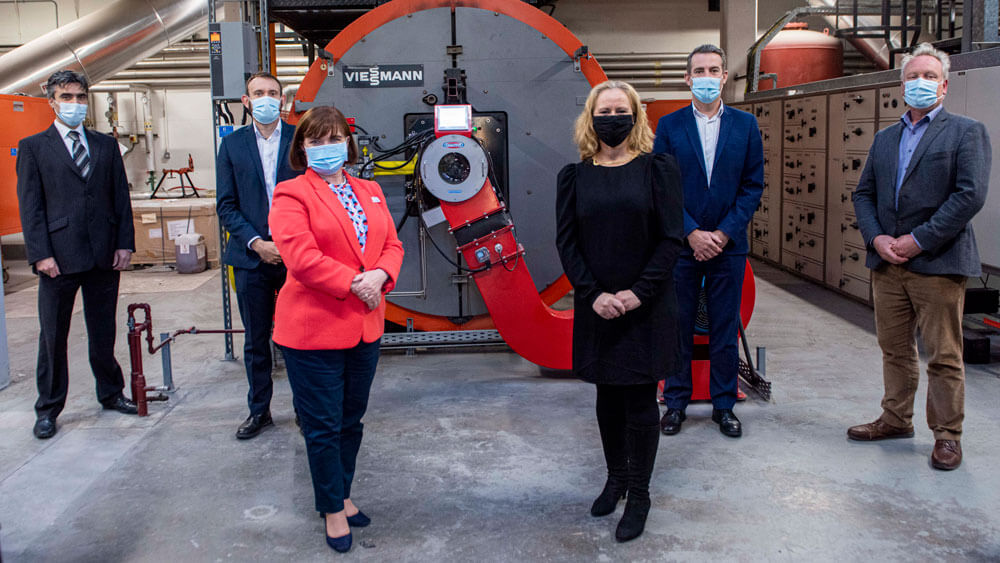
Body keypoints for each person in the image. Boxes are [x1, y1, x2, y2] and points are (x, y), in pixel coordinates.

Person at [849, 43, 990, 471]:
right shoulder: (885, 138)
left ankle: (947, 435)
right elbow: (864, 193)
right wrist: (877, 240)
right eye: (913, 77)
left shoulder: (966, 132)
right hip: (888, 263)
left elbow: (969, 196)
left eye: (929, 77)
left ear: (944, 86)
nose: (920, 84)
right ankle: (896, 419)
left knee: (944, 354)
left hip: (938, 263)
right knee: (894, 349)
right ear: (901, 85)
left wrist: (918, 240)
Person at [269, 106, 403, 552]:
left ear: (349, 142)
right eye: (317, 141)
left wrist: (380, 277)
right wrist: (356, 283)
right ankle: (331, 509)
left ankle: (342, 494)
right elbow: (302, 259)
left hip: (364, 326)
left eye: (335, 139)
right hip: (313, 330)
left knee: (351, 420)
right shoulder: (291, 195)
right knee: (322, 425)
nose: (328, 148)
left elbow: (391, 244)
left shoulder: (370, 190)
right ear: (302, 148)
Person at [556, 80, 684, 543]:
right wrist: (593, 294)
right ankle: (616, 479)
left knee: (640, 401)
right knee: (607, 398)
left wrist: (635, 294)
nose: (612, 117)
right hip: (597, 306)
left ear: (635, 117)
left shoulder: (658, 169)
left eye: (620, 109)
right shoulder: (575, 175)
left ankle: (641, 493)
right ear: (591, 118)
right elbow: (567, 242)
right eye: (603, 110)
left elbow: (672, 238)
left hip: (645, 306)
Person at [16, 69, 138, 440]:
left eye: (80, 97)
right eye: (66, 97)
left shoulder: (104, 145)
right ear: (51, 100)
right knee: (53, 334)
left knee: (103, 330)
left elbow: (120, 198)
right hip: (59, 258)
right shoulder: (34, 147)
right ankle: (49, 408)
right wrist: (40, 255)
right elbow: (31, 206)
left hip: (103, 253)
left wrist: (124, 243)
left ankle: (111, 392)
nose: (74, 104)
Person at [653, 44, 763, 438]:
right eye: (698, 70)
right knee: (679, 326)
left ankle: (723, 406)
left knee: (723, 330)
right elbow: (661, 187)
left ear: (723, 77)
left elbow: (752, 186)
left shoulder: (746, 126)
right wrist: (691, 232)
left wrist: (721, 234)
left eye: (713, 70)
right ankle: (676, 402)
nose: (706, 77)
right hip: (683, 247)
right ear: (687, 78)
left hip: (728, 247)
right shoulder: (669, 126)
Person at [216, 71, 302, 439]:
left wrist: (288, 243)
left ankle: (305, 410)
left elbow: (314, 197)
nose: (266, 99)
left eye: (273, 93)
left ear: (282, 100)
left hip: (296, 256)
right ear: (246, 101)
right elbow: (226, 205)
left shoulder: (301, 141)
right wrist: (257, 242)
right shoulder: (232, 146)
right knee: (256, 341)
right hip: (251, 257)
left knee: (300, 338)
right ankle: (259, 410)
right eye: (258, 93)